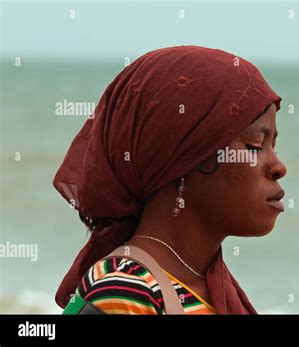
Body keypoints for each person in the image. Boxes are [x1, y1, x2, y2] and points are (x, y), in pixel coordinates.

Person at [54, 45, 287, 314]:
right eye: (255, 144)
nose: (279, 167)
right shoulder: (126, 293)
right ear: (183, 158)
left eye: (274, 146)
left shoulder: (210, 287)